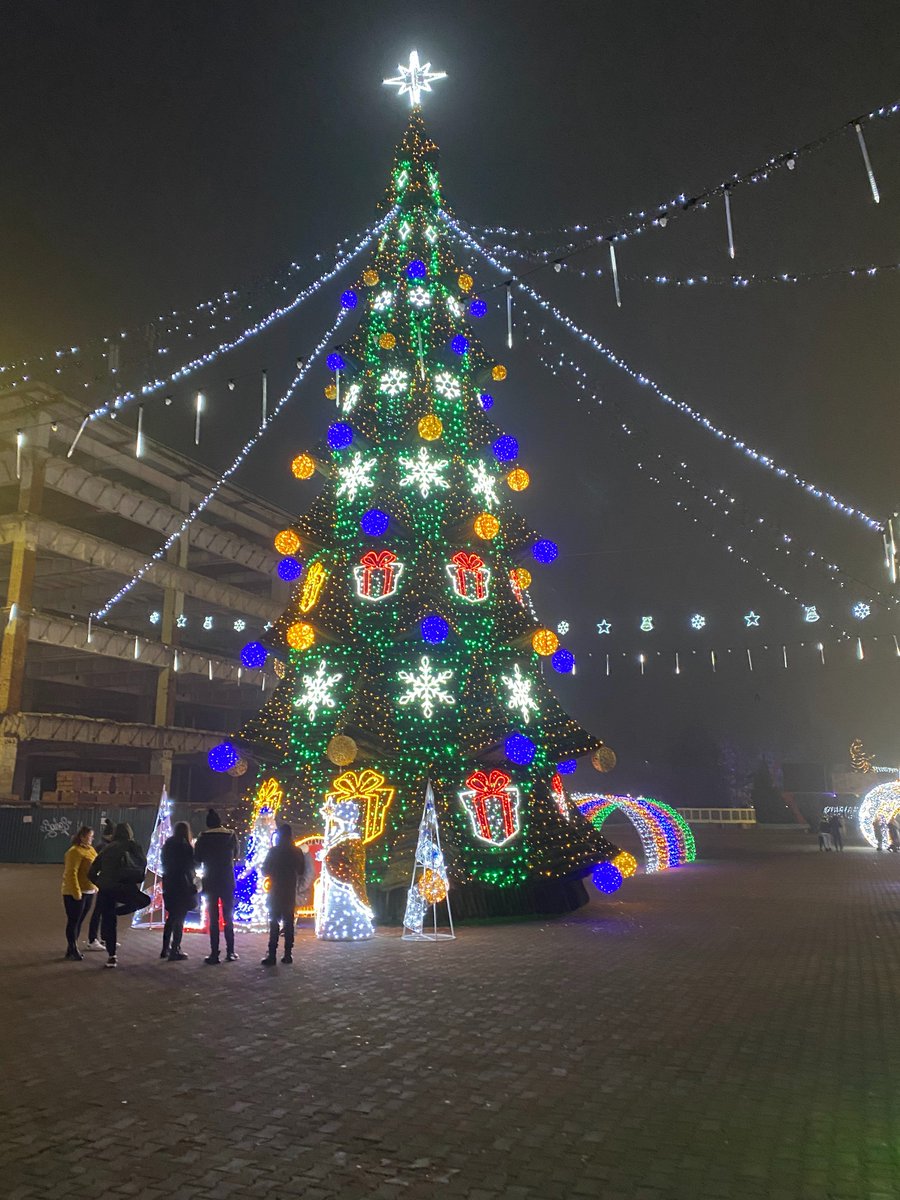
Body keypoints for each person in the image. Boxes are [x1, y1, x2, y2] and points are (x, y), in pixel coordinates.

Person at [87, 822, 148, 968]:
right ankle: (119, 911)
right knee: (144, 900)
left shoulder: (107, 848)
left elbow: (91, 872)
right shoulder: (133, 846)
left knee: (109, 922)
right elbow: (142, 865)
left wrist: (100, 882)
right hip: (125, 886)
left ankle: (111, 956)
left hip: (106, 889)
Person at [194, 808, 239, 964]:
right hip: (227, 880)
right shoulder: (231, 836)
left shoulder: (203, 838)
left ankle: (214, 953)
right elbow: (236, 855)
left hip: (210, 880)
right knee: (228, 916)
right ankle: (231, 951)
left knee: (213, 918)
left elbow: (197, 858)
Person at [261, 824, 309, 966]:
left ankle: (272, 954)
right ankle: (288, 954)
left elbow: (265, 870)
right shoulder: (297, 852)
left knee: (274, 922)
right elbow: (301, 871)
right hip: (289, 890)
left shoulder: (274, 851)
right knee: (288, 923)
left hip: (275, 889)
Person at [161, 821, 198, 961]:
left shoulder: (168, 845)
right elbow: (192, 864)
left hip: (169, 884)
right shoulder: (186, 846)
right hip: (183, 885)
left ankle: (165, 948)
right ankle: (175, 949)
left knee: (171, 917)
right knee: (180, 918)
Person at [61, 826, 97, 960]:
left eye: (92, 836)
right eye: (89, 836)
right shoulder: (74, 852)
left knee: (79, 921)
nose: (91, 839)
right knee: (73, 921)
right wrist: (76, 892)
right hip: (74, 892)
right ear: (82, 837)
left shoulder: (91, 850)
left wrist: (95, 886)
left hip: (89, 890)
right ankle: (73, 947)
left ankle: (71, 947)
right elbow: (71, 873)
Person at [85, 818, 115, 950]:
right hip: (103, 883)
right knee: (99, 911)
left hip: (102, 882)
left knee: (103, 911)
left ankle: (103, 937)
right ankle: (93, 939)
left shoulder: (104, 846)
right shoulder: (104, 847)